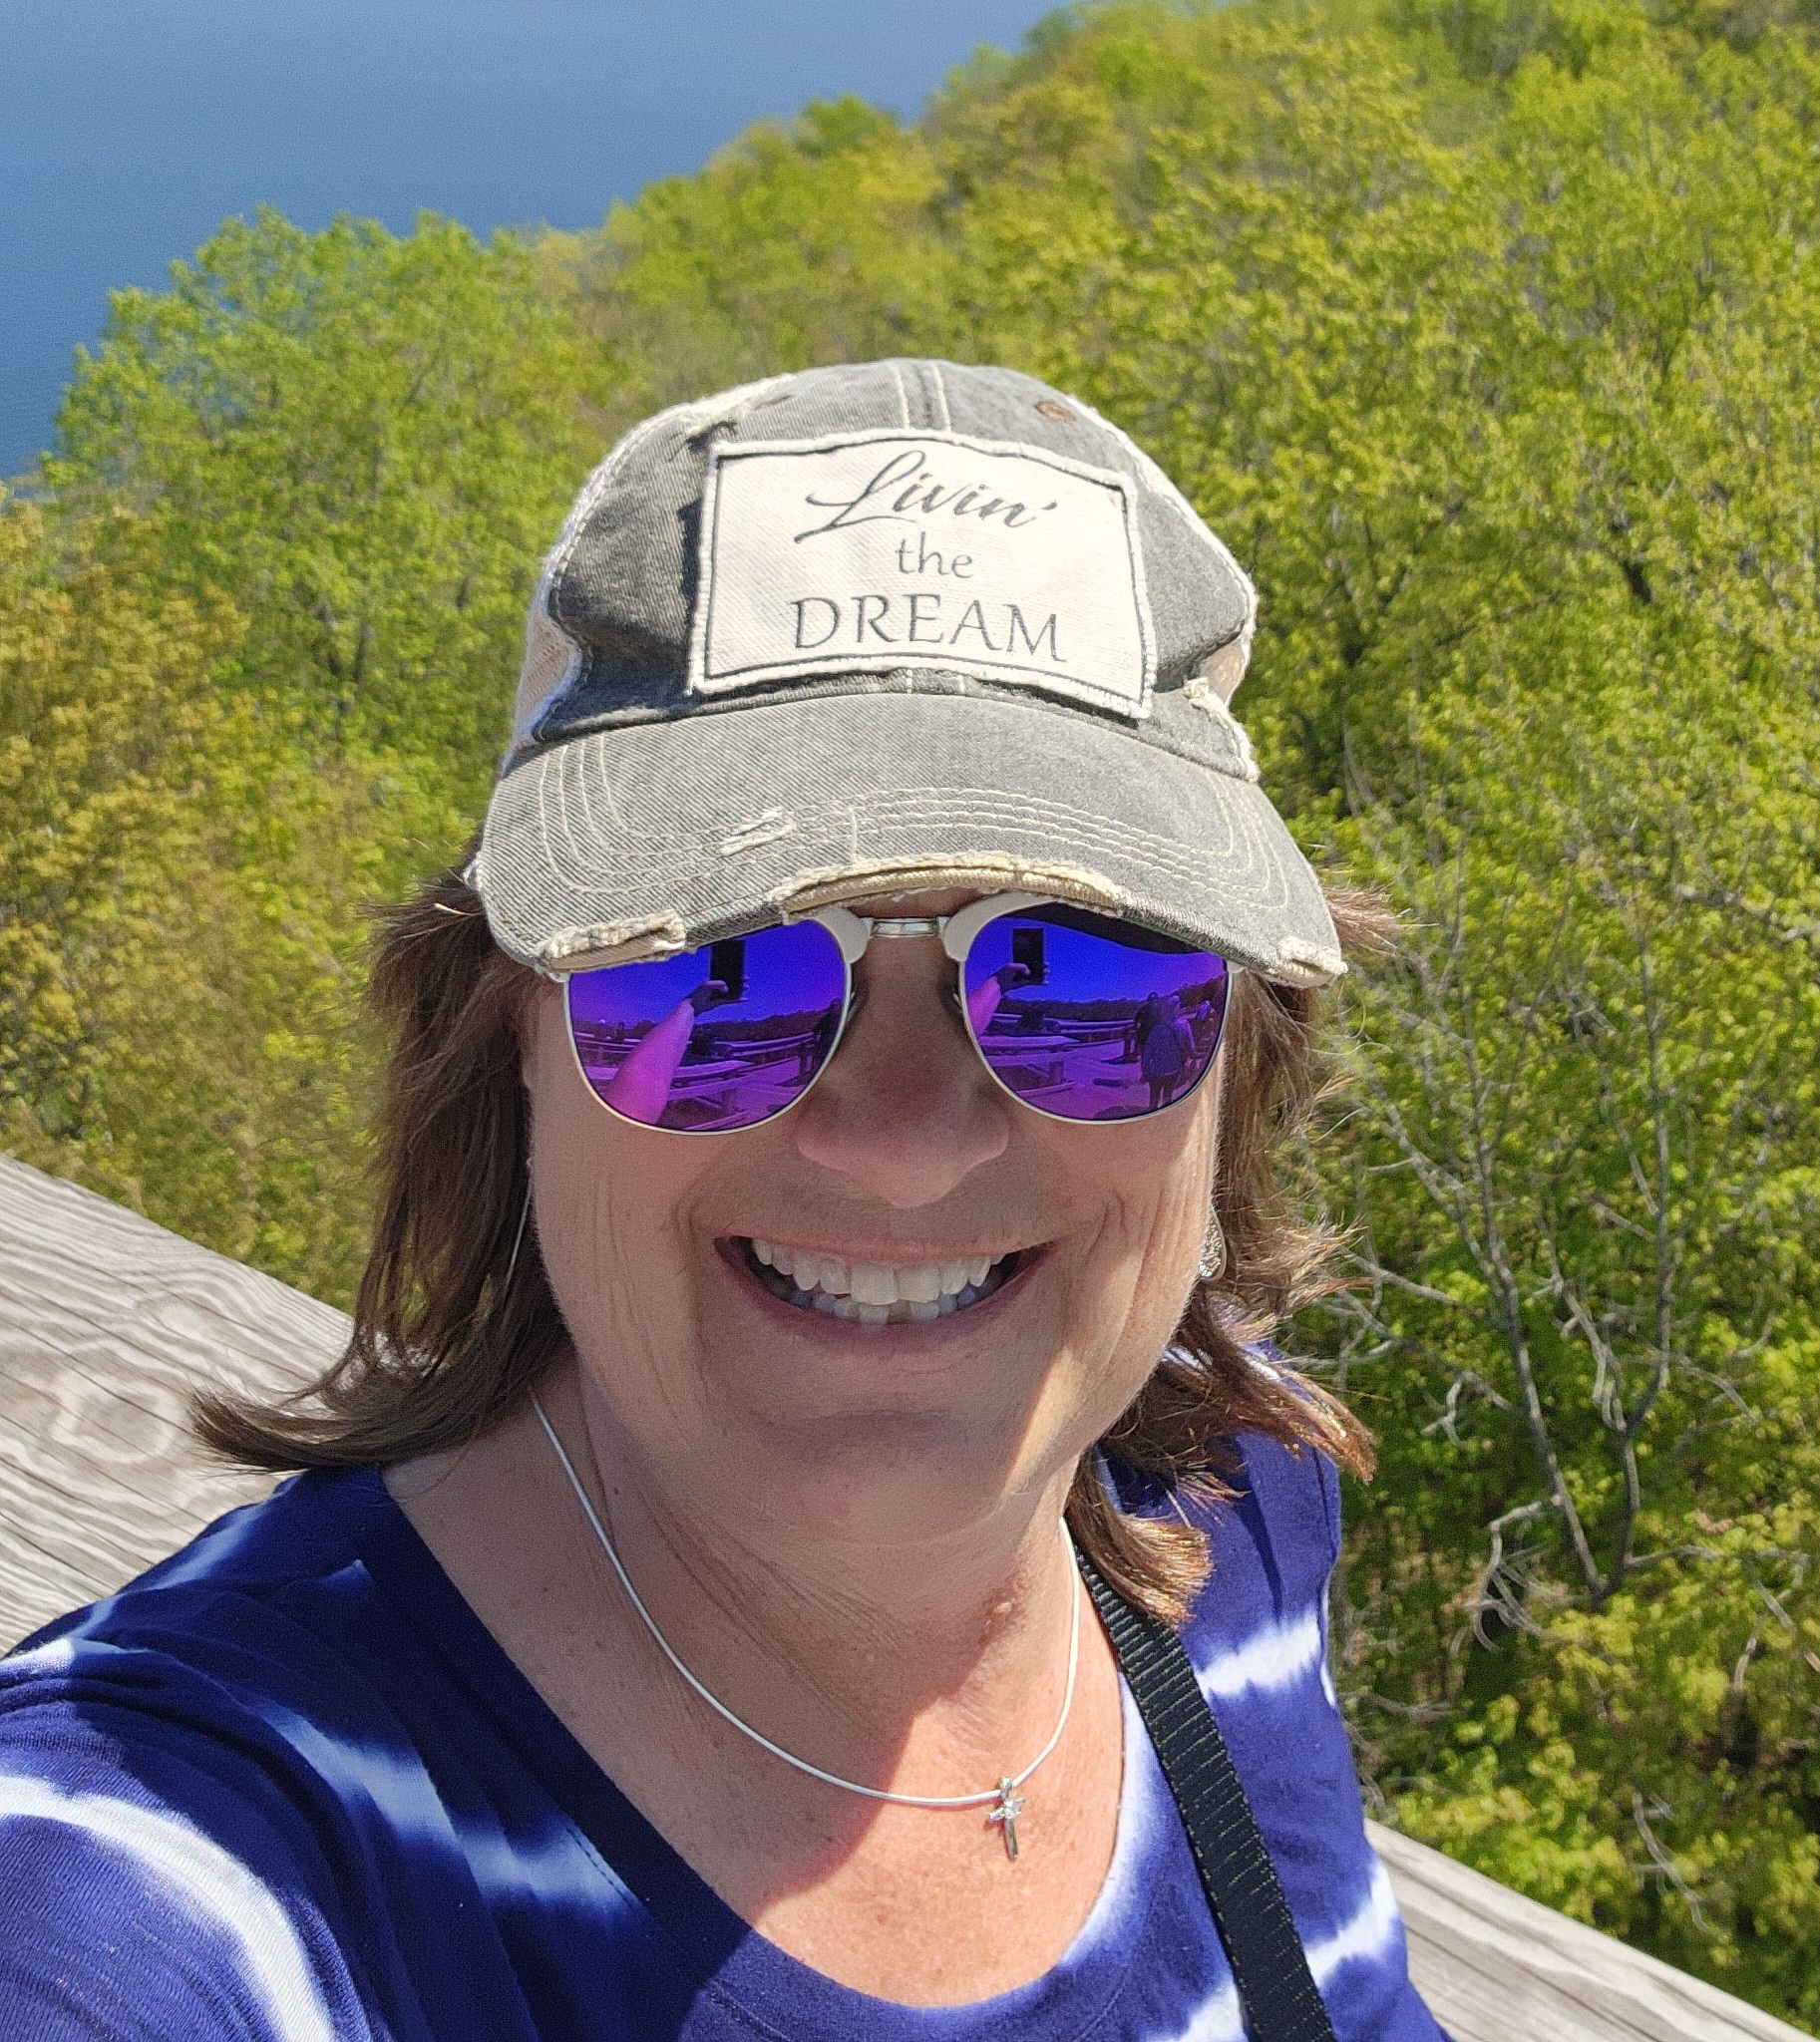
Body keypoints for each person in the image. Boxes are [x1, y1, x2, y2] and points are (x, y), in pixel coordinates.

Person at [0, 358, 1438, 2042]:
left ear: (1237, 1061)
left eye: (1088, 980)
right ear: (508, 1031)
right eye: (718, 980)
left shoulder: (1233, 1513)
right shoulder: (191, 1876)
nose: (904, 1140)